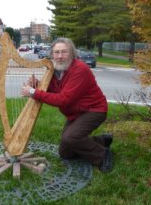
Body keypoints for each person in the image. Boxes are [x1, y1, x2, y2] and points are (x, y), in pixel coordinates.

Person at [21, 37, 113, 173]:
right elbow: (53, 89)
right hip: (75, 113)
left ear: (72, 53)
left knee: (70, 138)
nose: (59, 56)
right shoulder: (55, 70)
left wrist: (33, 92)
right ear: (51, 54)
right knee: (65, 153)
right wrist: (37, 85)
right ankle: (101, 140)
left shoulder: (79, 69)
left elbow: (63, 100)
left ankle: (102, 155)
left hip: (93, 110)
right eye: (56, 52)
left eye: (64, 52)